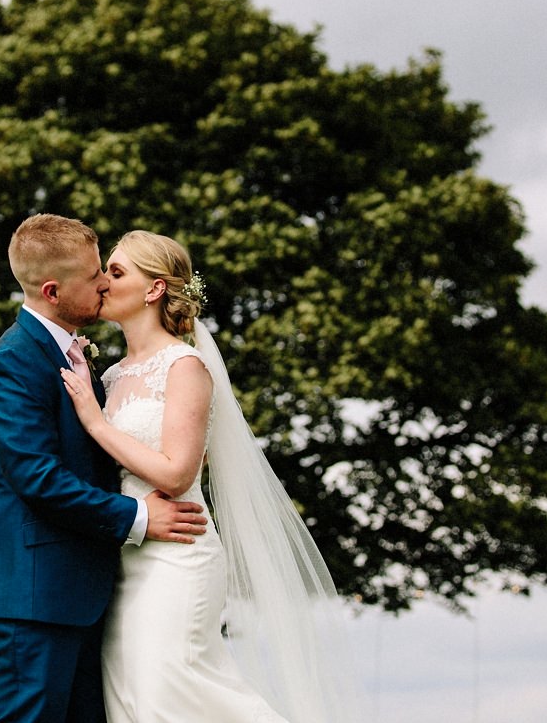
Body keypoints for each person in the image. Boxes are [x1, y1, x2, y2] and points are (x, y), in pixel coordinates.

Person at [59, 230, 361, 722]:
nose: (103, 283)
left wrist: (94, 420)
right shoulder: (110, 375)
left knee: (169, 692)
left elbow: (177, 473)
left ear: (154, 289)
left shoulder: (185, 366)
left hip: (177, 558)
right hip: (124, 560)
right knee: (131, 699)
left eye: (116, 272)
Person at [0, 215, 209, 723]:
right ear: (53, 290)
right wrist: (139, 518)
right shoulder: (12, 364)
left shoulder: (82, 358)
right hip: (34, 596)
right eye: (95, 274)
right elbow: (38, 479)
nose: (104, 282)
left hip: (90, 592)